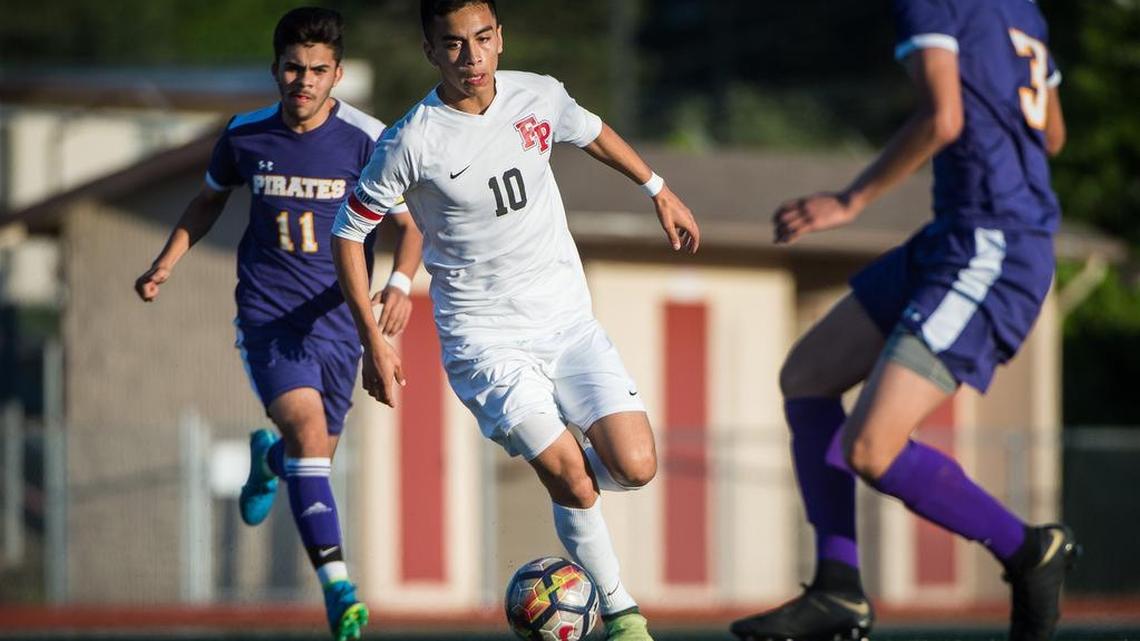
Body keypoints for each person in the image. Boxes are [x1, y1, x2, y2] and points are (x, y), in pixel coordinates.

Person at [330, 2, 700, 639]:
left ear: (500, 37)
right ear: (431, 51)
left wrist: (657, 188)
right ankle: (621, 613)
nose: (470, 57)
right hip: (485, 342)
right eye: (452, 44)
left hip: (568, 325)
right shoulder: (411, 140)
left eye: (481, 38)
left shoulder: (539, 96)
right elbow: (348, 231)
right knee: (568, 474)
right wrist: (372, 337)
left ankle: (573, 495)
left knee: (635, 467)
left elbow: (593, 132)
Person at [730, 1, 1077, 640]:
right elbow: (1050, 134)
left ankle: (1028, 550)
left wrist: (849, 199)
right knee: (808, 373)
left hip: (989, 248)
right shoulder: (1018, 7)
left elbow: (943, 118)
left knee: (871, 446)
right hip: (957, 236)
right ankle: (838, 587)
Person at [133, 8, 421, 641]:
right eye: (294, 68)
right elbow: (207, 200)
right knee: (311, 436)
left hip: (339, 325)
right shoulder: (244, 136)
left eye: (319, 70)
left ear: (337, 74)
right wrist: (165, 264)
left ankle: (268, 459)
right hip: (268, 317)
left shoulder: (368, 139)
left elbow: (409, 228)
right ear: (276, 69)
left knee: (309, 456)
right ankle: (339, 588)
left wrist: (398, 284)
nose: (304, 81)